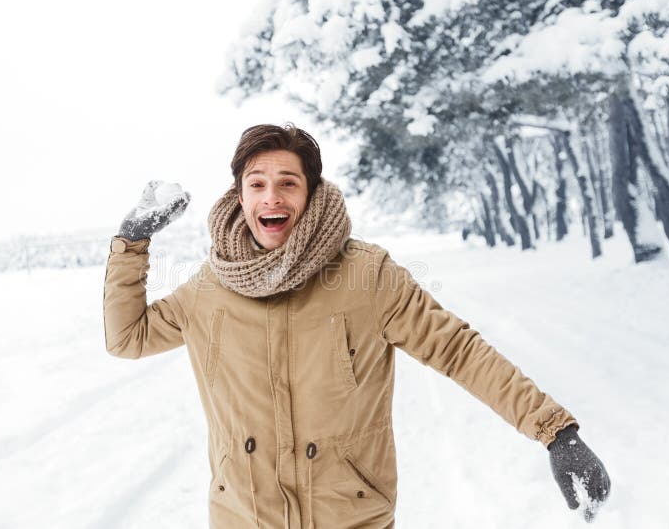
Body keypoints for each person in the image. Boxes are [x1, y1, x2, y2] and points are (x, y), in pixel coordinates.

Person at [103, 124, 610, 528]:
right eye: (256, 184)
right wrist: (130, 243)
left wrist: (555, 432)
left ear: (313, 192)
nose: (271, 198)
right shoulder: (209, 289)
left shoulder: (368, 275)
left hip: (351, 517)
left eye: (288, 183)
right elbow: (128, 338)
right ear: (239, 197)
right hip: (243, 518)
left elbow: (459, 350)